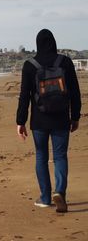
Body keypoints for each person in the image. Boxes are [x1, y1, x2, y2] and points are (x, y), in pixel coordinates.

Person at [16, 29, 81, 213]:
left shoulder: (30, 65)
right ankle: (59, 192)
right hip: (61, 118)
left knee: (41, 157)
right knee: (60, 156)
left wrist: (20, 121)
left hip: (39, 121)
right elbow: (74, 92)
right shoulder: (65, 62)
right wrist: (75, 116)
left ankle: (45, 198)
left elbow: (24, 96)